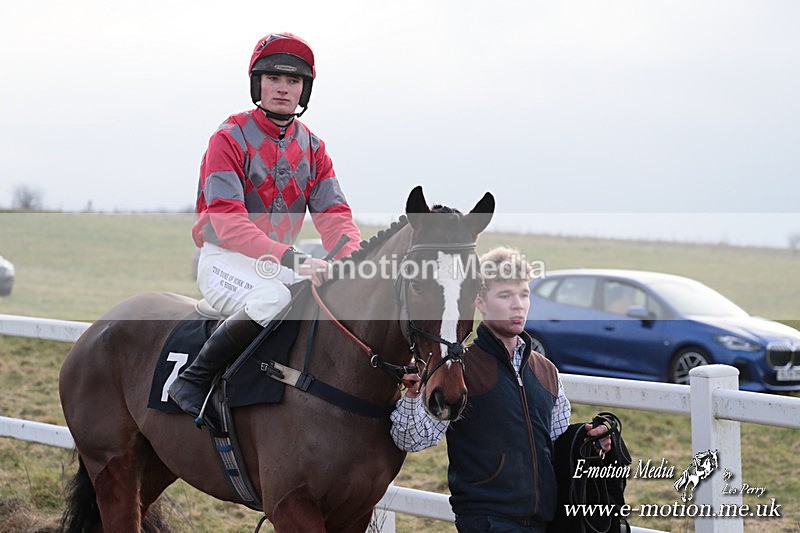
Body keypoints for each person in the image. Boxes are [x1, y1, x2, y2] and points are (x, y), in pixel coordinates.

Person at [169, 32, 362, 419]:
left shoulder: (313, 148)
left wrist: (353, 260)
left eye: (294, 81)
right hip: (224, 260)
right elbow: (227, 224)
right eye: (274, 78)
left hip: (277, 265)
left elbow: (336, 218)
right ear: (257, 82)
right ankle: (194, 379)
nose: (283, 88)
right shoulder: (228, 137)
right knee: (274, 299)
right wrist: (291, 259)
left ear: (304, 90)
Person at [391, 247, 610, 532]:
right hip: (487, 520)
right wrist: (411, 398)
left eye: (524, 294)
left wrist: (587, 439)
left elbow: (554, 441)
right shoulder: (459, 368)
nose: (518, 305)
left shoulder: (546, 371)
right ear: (480, 302)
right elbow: (411, 439)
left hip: (546, 519)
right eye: (505, 295)